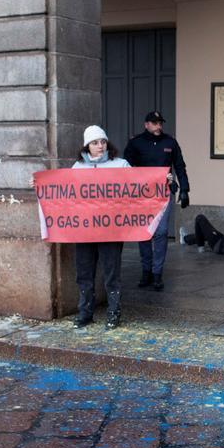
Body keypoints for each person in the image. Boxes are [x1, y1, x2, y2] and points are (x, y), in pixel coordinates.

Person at [124, 111, 190, 292]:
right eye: (154, 123)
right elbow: (125, 168)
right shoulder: (135, 143)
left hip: (164, 192)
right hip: (142, 195)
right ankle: (146, 271)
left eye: (160, 123)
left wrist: (184, 189)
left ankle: (157, 273)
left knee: (161, 232)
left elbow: (180, 166)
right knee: (144, 232)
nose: (158, 126)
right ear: (146, 125)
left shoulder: (170, 142)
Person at [73, 125, 131, 329]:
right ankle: (85, 312)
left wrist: (161, 181)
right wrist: (40, 185)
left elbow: (139, 186)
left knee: (111, 272)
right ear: (87, 146)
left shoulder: (121, 164)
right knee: (84, 272)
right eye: (95, 142)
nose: (100, 146)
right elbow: (63, 194)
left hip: (111, 230)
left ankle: (113, 313)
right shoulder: (77, 167)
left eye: (103, 142)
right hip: (84, 230)